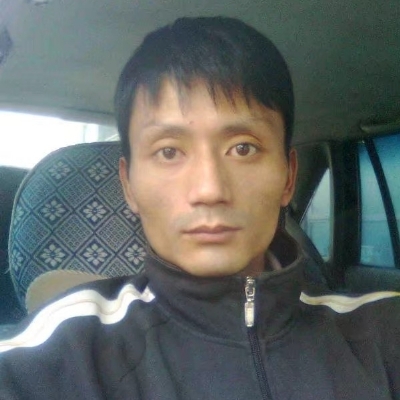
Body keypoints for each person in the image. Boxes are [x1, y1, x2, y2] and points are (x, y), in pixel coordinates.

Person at [0, 16, 399, 400]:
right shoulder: (62, 355)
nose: (209, 190)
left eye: (243, 148)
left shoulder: (382, 332)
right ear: (129, 186)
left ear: (288, 177)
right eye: (168, 151)